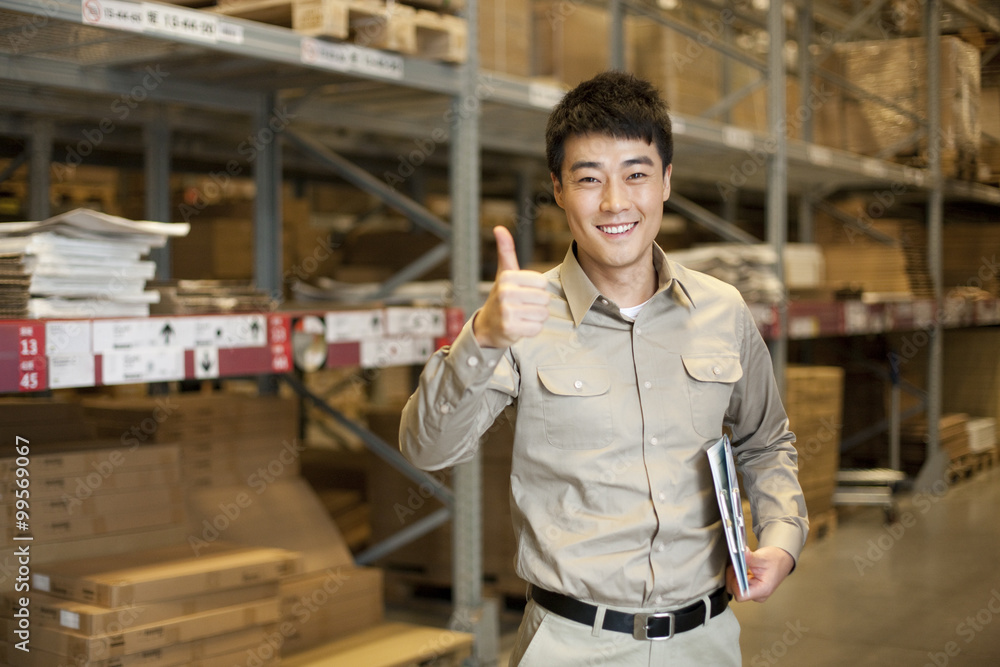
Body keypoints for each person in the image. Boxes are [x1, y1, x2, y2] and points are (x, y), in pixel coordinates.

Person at [400, 70, 808, 665]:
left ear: (666, 180)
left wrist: (782, 539)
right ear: (559, 190)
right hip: (569, 643)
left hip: (705, 642)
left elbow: (765, 443)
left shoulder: (724, 309)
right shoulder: (520, 316)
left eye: (636, 174)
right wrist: (482, 338)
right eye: (589, 179)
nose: (615, 203)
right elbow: (426, 448)